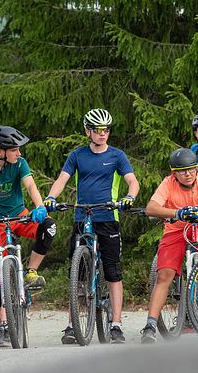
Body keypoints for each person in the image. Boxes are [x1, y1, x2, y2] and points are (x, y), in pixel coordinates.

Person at [43, 108, 140, 344]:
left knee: (113, 273)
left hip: (107, 216)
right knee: (77, 276)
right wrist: (51, 198)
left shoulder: (117, 155)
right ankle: (71, 325)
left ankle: (115, 324)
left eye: (106, 130)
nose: (102, 134)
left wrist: (130, 197)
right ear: (88, 131)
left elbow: (132, 181)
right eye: (97, 130)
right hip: (82, 216)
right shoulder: (77, 155)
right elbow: (62, 180)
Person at [0, 126, 56, 350]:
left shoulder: (20, 164)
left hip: (20, 218)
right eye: (14, 149)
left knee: (49, 227)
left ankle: (32, 271)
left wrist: (40, 207)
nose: (19, 153)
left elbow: (31, 185)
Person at [139, 148, 198, 343]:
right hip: (176, 230)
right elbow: (151, 208)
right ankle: (150, 325)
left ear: (197, 169)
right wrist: (176, 213)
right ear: (174, 173)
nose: (187, 174)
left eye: (191, 170)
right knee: (164, 275)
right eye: (182, 171)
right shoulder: (168, 184)